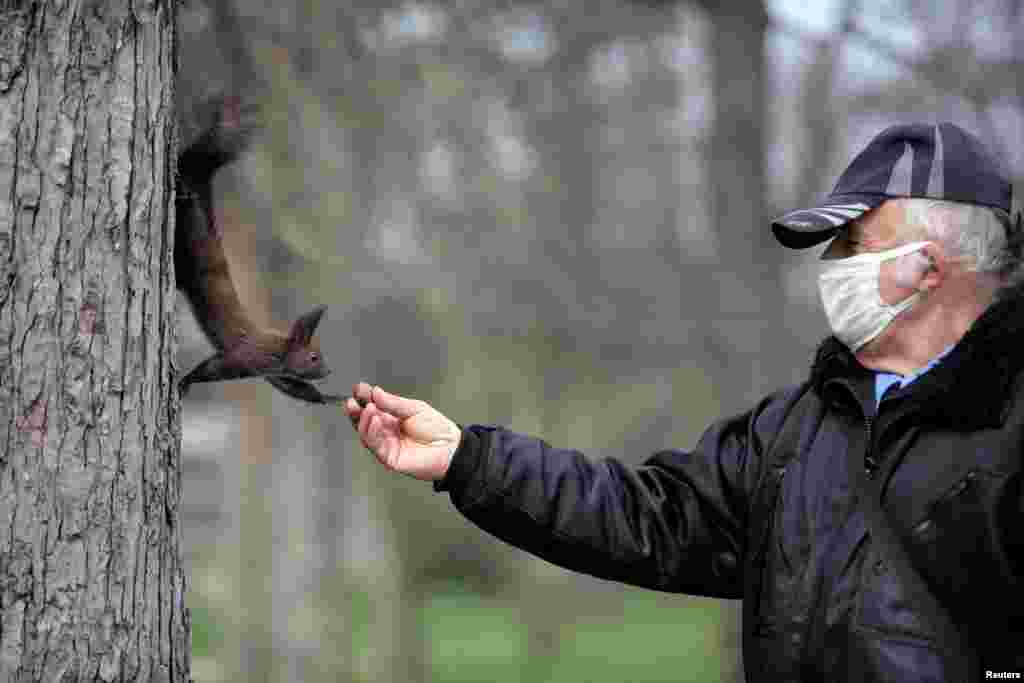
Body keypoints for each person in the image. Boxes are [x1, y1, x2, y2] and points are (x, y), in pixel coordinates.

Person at [345, 122, 1024, 682]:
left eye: (852, 243)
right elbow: (645, 515)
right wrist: (469, 459)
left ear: (930, 267)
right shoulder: (794, 430)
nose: (832, 264)